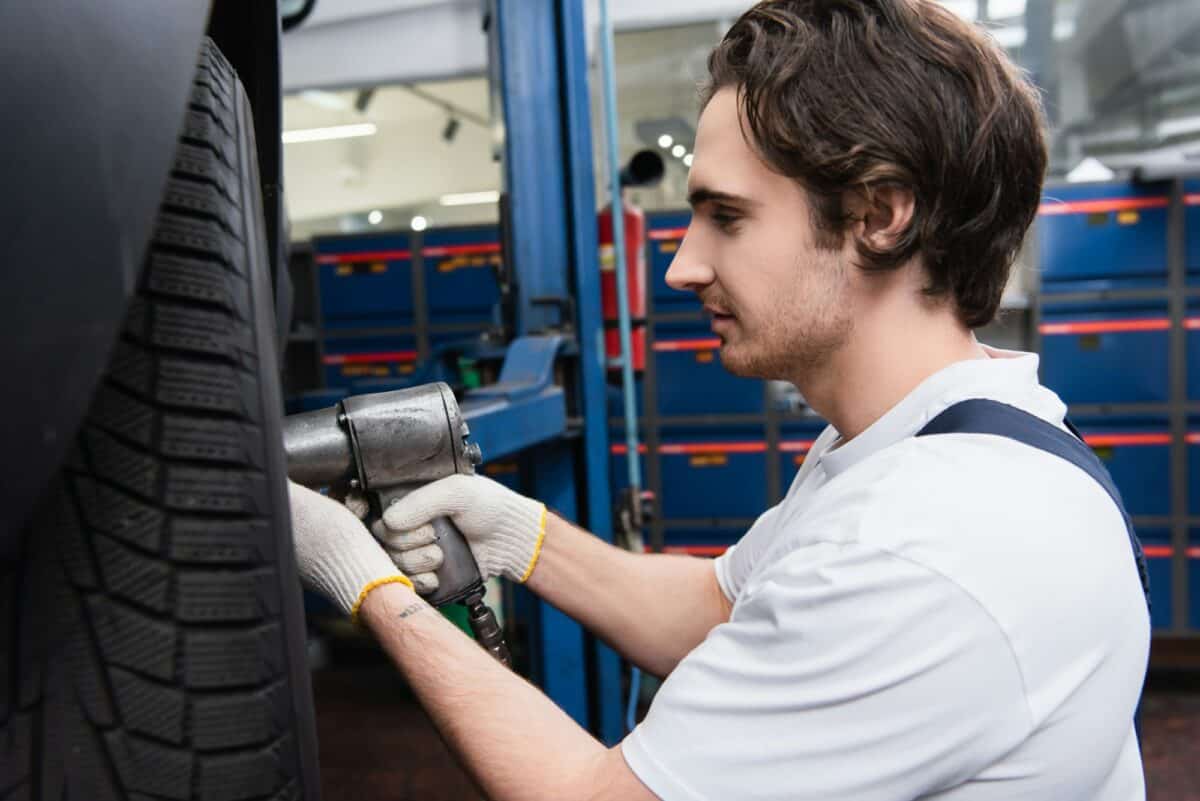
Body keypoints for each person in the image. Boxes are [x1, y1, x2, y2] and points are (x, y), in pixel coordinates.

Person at [288, 1, 1150, 798]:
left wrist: (366, 581)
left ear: (880, 216)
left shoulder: (924, 542)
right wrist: (518, 533)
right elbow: (714, 606)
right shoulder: (936, 438)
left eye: (726, 217)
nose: (681, 266)